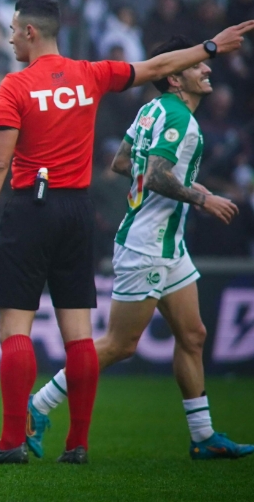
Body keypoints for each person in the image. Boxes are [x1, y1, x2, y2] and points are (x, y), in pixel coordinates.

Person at [0, 0, 252, 465]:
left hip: (32, 209)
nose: (12, 36)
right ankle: (77, 444)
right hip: (79, 211)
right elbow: (158, 65)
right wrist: (211, 47)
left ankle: (12, 442)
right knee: (79, 336)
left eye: (15, 28)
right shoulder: (90, 74)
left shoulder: (14, 87)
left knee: (13, 327)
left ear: (31, 32)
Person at [29, 37, 253, 460]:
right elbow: (155, 175)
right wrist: (203, 198)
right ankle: (39, 405)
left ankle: (203, 437)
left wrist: (184, 183)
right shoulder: (178, 119)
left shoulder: (150, 110)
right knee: (119, 345)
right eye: (198, 65)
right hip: (146, 246)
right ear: (175, 76)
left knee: (193, 334)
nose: (207, 70)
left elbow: (121, 163)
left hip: (169, 246)